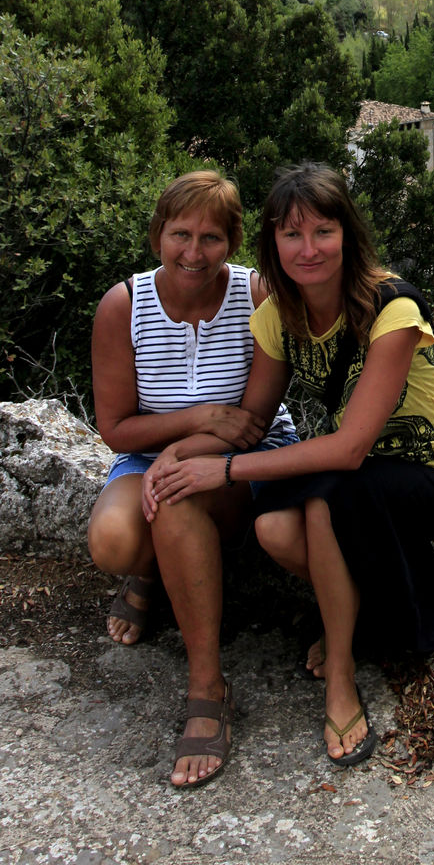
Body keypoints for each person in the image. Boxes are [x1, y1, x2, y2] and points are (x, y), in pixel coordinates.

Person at [147, 162, 434, 769]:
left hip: (423, 476)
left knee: (326, 497)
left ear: (347, 233)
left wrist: (223, 473)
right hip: (353, 474)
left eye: (323, 231)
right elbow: (254, 421)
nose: (309, 249)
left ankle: (342, 675)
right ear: (272, 243)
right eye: (291, 235)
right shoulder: (277, 318)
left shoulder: (391, 308)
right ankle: (352, 613)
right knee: (274, 527)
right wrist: (181, 452)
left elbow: (348, 448)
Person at [87, 169, 296, 789]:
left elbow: (255, 420)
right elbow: (118, 429)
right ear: (158, 236)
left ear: (232, 242)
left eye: (211, 237)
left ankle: (207, 688)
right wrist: (198, 422)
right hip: (155, 455)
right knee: (113, 541)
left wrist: (185, 456)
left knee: (178, 504)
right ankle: (149, 570)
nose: (193, 252)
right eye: (180, 234)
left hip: (242, 461)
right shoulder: (123, 305)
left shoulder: (258, 297)